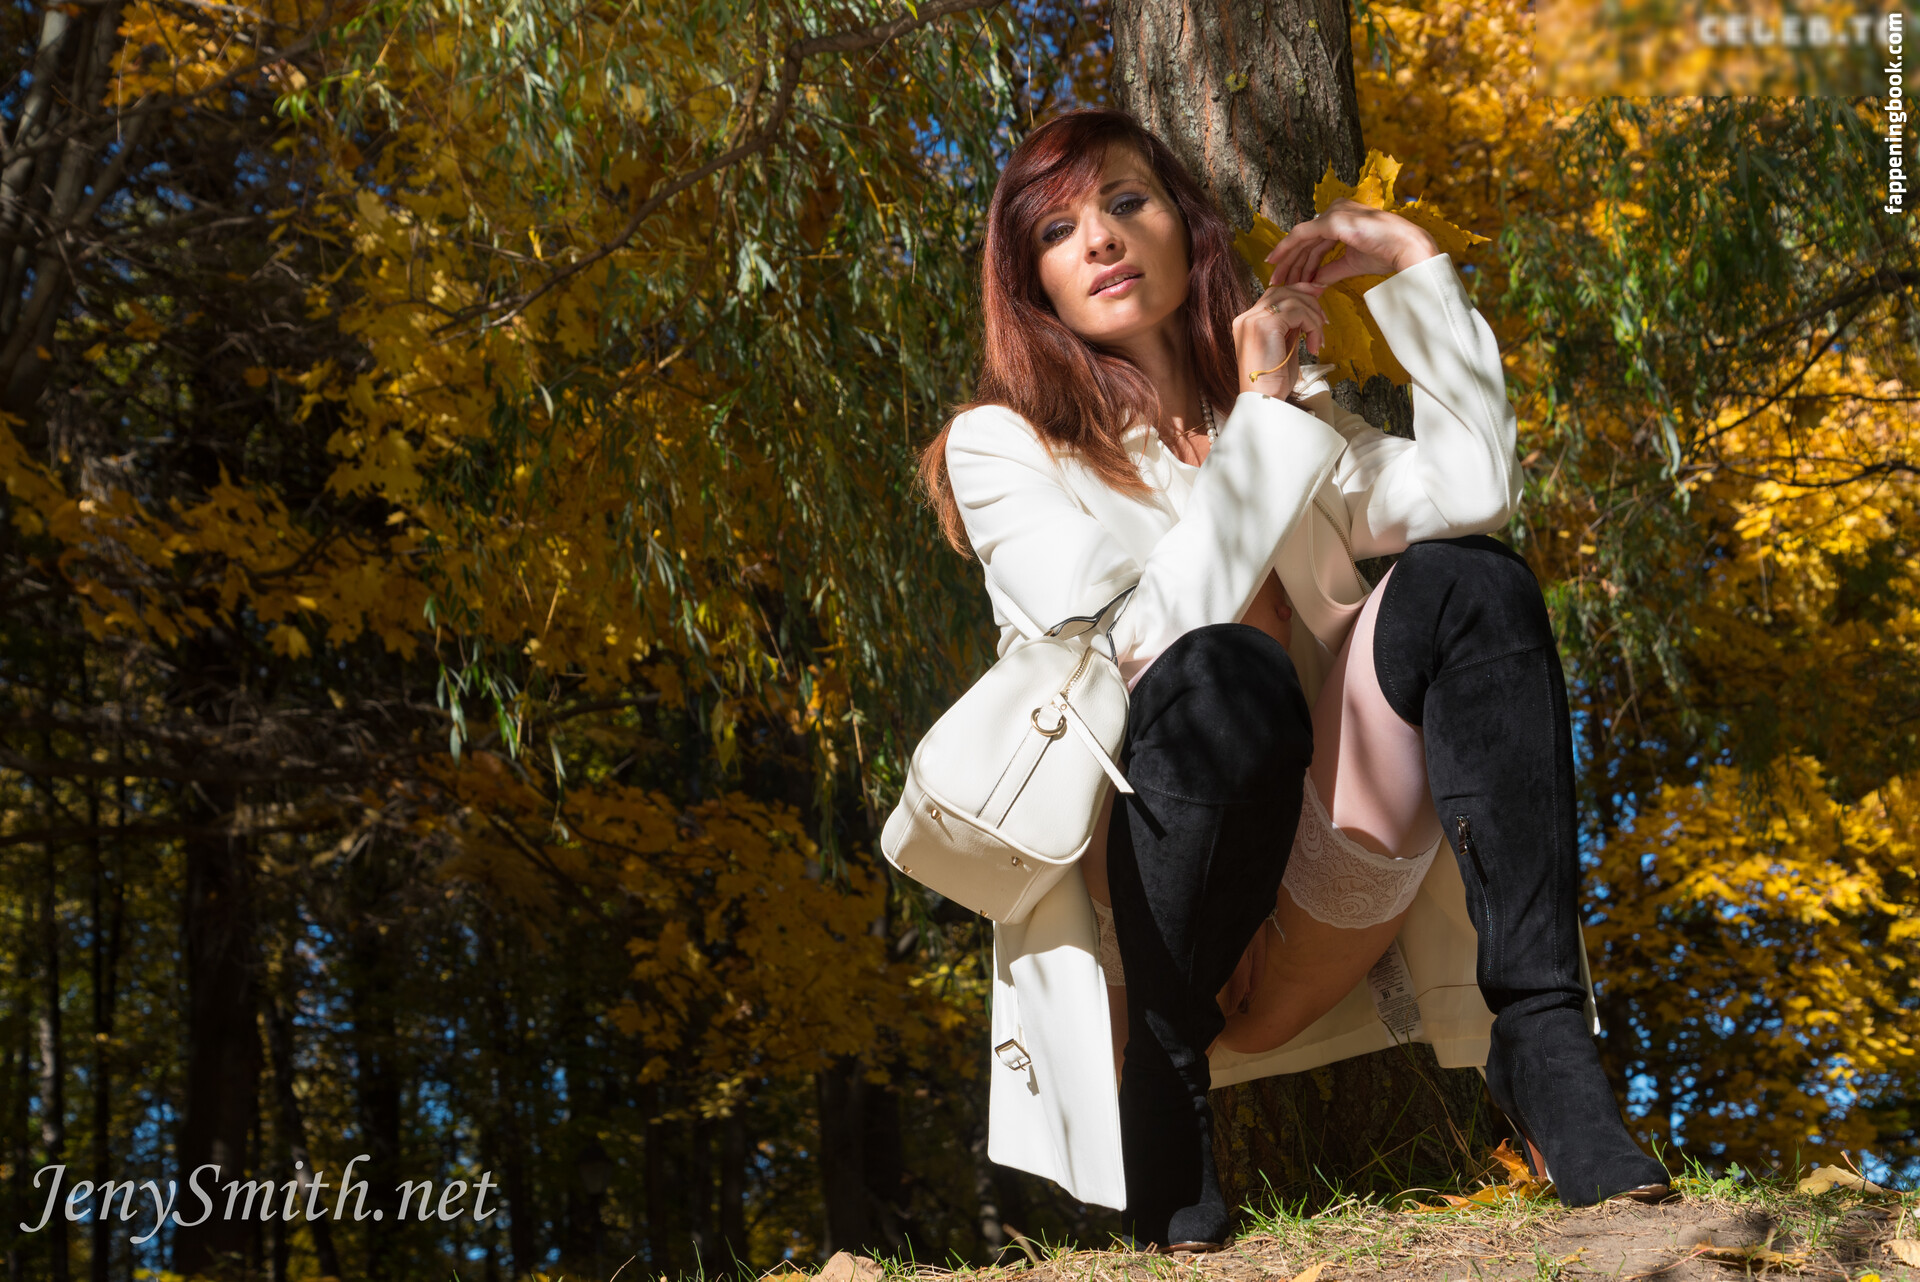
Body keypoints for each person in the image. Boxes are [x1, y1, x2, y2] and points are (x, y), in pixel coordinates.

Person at [917, 109, 1672, 1252]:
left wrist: (1415, 273)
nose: (1101, 239)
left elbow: (1473, 489)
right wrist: (1265, 414)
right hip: (1152, 932)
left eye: (1127, 201)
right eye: (1058, 231)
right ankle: (1163, 1099)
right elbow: (1138, 645)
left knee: (1470, 579)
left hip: (1318, 886)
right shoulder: (1003, 445)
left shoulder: (1283, 414)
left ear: (1187, 227)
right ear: (1033, 287)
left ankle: (1544, 1041)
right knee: (1221, 670)